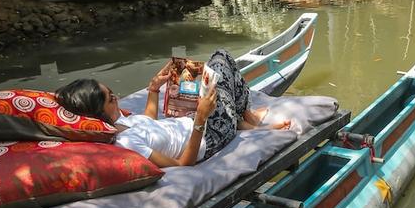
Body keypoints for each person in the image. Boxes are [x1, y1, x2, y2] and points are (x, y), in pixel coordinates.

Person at [55, 50, 290, 168]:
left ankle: (244, 122)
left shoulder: (121, 122)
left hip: (192, 121)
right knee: (222, 58)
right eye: (110, 99)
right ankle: (248, 119)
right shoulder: (126, 144)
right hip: (208, 136)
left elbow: (147, 121)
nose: (117, 98)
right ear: (97, 113)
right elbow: (182, 165)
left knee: (207, 74)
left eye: (112, 92)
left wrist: (154, 89)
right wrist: (200, 117)